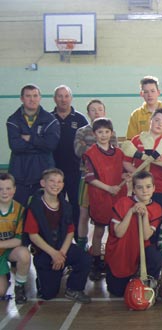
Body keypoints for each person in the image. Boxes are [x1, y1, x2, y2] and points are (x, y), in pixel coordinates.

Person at [24, 168, 91, 303]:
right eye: (52, 181)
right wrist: (54, 254)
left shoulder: (66, 206)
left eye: (59, 181)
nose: (56, 184)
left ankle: (74, 288)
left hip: (62, 249)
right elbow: (33, 235)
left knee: (85, 258)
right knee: (48, 294)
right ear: (43, 183)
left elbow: (70, 231)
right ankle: (46, 277)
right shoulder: (35, 206)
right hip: (44, 252)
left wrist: (62, 253)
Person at [83, 118, 128, 281]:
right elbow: (90, 177)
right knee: (99, 230)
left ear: (112, 133)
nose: (103, 135)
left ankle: (111, 260)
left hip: (118, 197)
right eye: (100, 132)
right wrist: (108, 188)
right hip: (100, 197)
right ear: (94, 134)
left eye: (106, 132)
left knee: (115, 230)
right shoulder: (89, 154)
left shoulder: (118, 152)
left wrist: (126, 175)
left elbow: (120, 171)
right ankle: (96, 262)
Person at [104, 171, 162, 297]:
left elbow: (147, 236)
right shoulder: (123, 202)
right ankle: (129, 277)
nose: (144, 191)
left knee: (155, 256)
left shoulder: (156, 208)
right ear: (134, 189)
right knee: (118, 292)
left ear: (154, 188)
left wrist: (145, 214)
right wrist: (131, 211)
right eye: (139, 187)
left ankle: (149, 285)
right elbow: (119, 233)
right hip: (121, 252)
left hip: (140, 250)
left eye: (148, 187)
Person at [73, 99, 118, 251]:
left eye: (100, 109)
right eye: (93, 110)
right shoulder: (81, 131)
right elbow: (79, 151)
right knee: (84, 212)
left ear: (104, 111)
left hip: (108, 179)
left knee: (108, 213)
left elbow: (114, 152)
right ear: (88, 113)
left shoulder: (111, 130)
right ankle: (81, 244)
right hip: (86, 179)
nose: (97, 112)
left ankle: (106, 248)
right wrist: (98, 150)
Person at [6, 84, 60, 206]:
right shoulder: (13, 120)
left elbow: (51, 145)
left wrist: (30, 138)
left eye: (35, 96)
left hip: (43, 173)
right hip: (20, 174)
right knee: (20, 212)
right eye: (28, 96)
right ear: (22, 98)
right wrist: (40, 143)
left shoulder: (50, 120)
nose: (32, 99)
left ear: (40, 97)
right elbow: (15, 146)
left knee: (42, 213)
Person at [124, 108, 162, 215]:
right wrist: (139, 175)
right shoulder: (137, 139)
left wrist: (160, 162)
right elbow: (126, 162)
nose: (159, 124)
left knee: (159, 220)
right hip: (139, 188)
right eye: (157, 120)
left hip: (160, 188)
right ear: (150, 120)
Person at [51, 85, 89, 236]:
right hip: (54, 170)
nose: (63, 99)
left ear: (71, 98)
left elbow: (88, 142)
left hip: (75, 170)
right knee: (55, 204)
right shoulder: (48, 118)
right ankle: (57, 236)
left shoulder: (80, 119)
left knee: (76, 205)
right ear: (55, 99)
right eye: (60, 96)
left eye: (66, 96)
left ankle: (77, 238)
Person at [0, 173, 31, 304]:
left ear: (14, 189)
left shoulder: (20, 210)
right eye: (0, 189)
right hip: (4, 246)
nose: (4, 192)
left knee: (24, 254)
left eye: (8, 188)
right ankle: (5, 275)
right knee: (1, 292)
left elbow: (18, 240)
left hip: (9, 250)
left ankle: (19, 287)